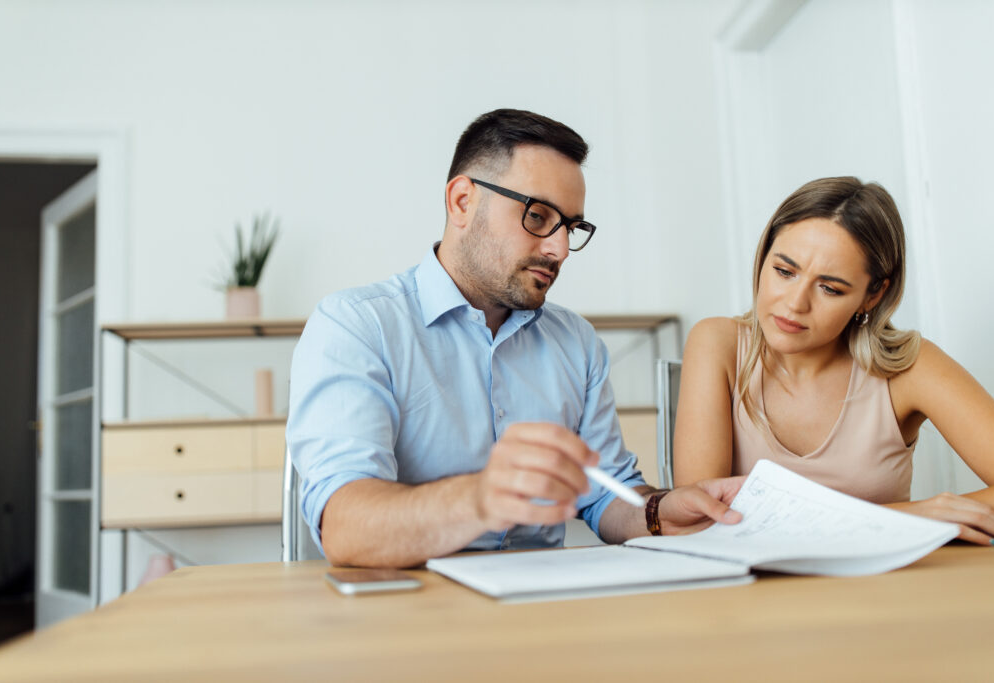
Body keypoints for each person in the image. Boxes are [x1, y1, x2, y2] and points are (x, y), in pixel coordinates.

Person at [287, 109, 744, 568]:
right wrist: (481, 497)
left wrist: (662, 510)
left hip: (540, 613)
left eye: (571, 226)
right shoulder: (356, 327)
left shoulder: (576, 342)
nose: (559, 248)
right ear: (462, 201)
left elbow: (605, 495)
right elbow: (345, 528)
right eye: (538, 215)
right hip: (411, 614)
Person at [672, 176, 994, 546]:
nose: (795, 304)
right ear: (763, 257)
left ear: (873, 295)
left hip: (882, 594)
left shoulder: (907, 367)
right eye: (784, 271)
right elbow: (700, 519)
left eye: (830, 288)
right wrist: (902, 517)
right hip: (754, 597)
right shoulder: (717, 344)